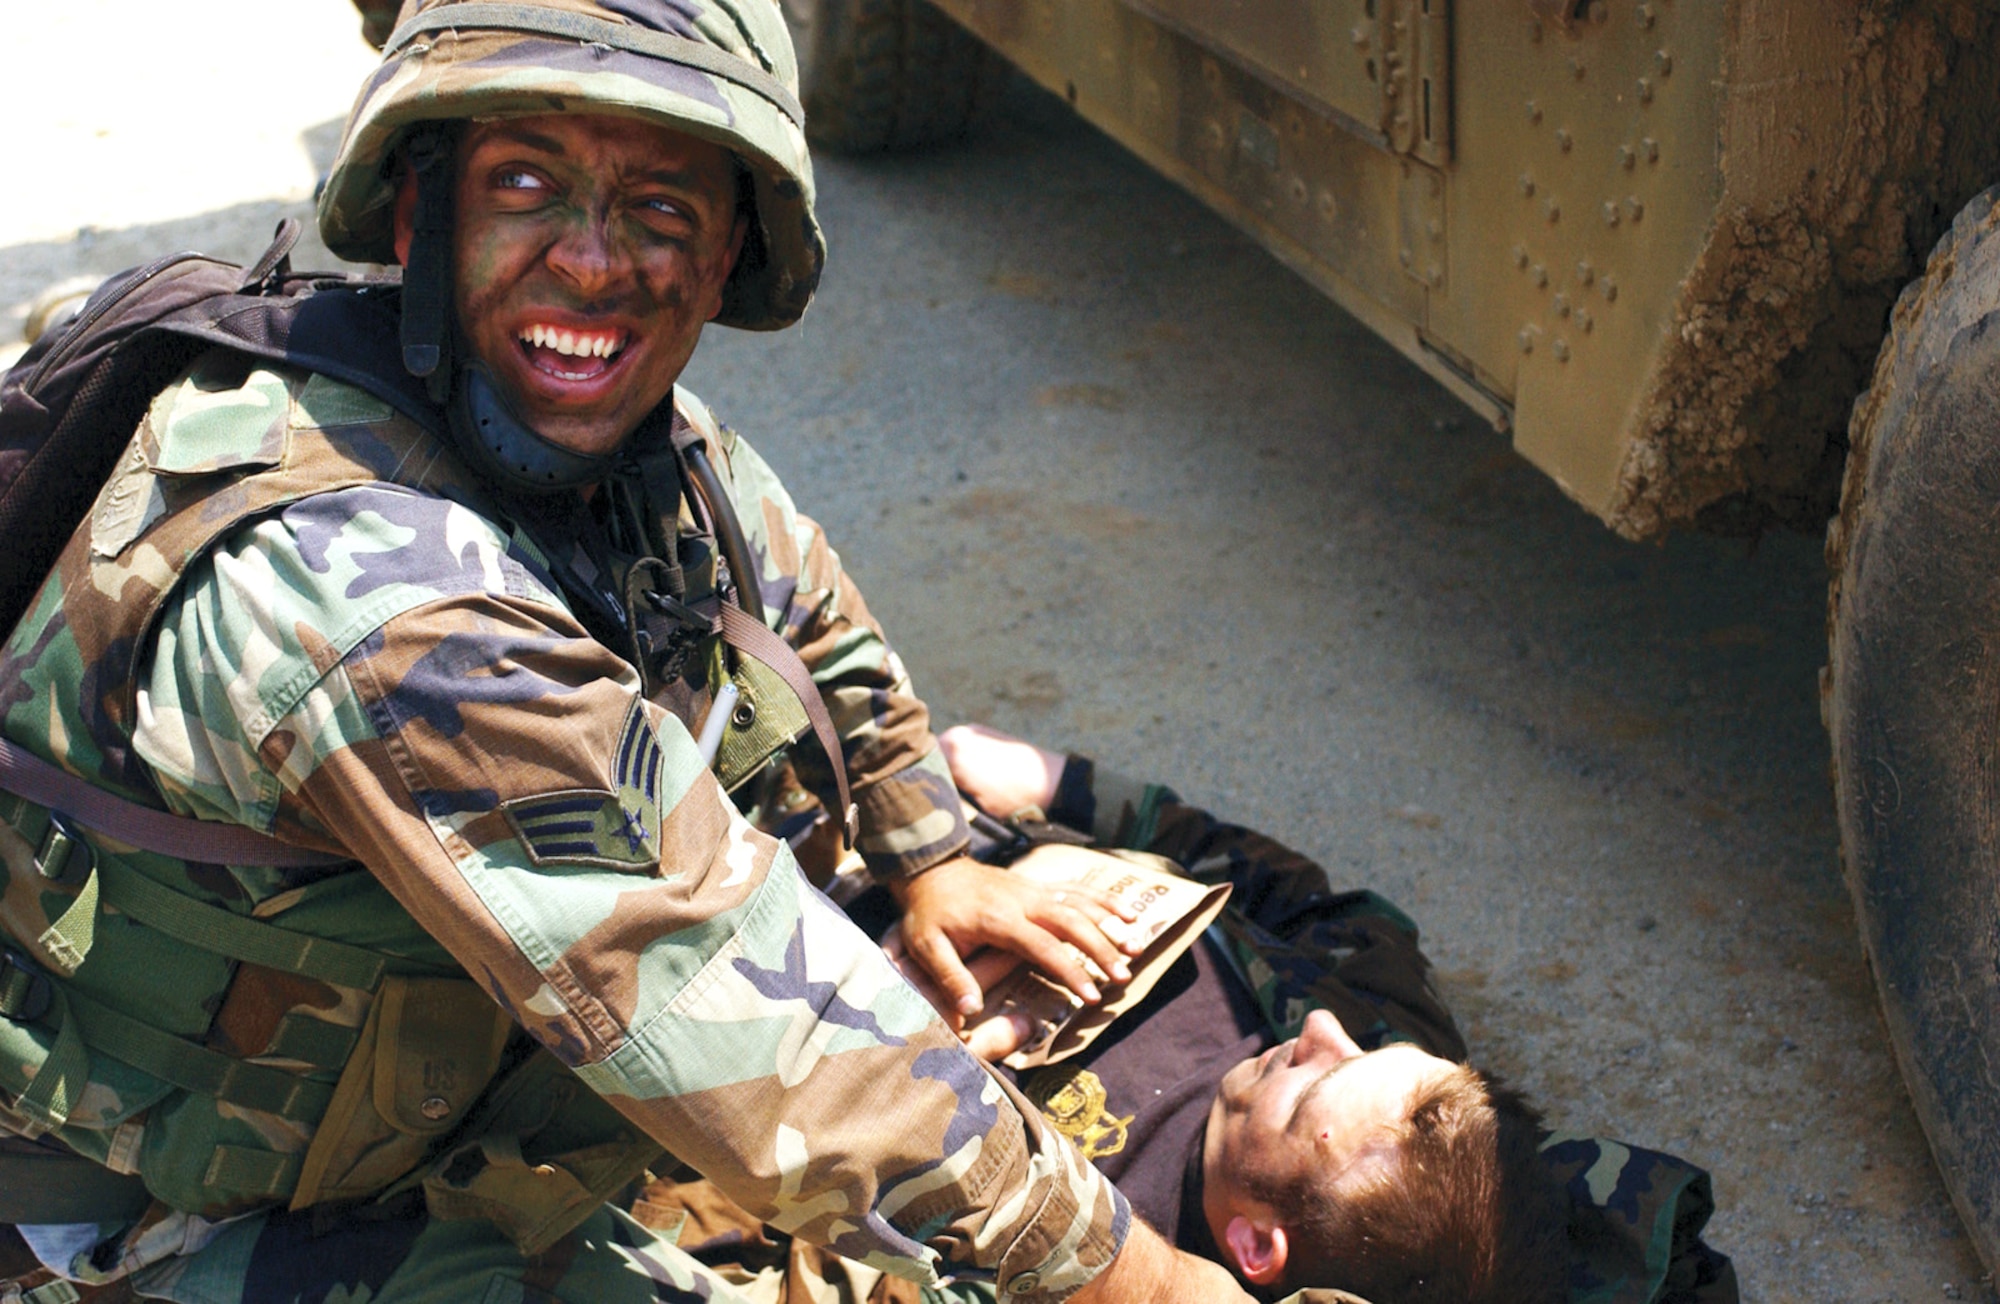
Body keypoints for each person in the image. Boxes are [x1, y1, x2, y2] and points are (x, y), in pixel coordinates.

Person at [0, 4, 1258, 1303]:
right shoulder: (378, 603)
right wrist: (1148, 1283)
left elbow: (792, 593)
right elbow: (727, 998)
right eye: (527, 184)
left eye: (662, 207)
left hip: (358, 1137)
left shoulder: (631, 445)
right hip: (135, 1222)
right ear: (417, 222)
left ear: (728, 261)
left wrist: (926, 848)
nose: (595, 265)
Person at [639, 727, 1738, 1304]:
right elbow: (1295, 891)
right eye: (1364, 1048)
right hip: (897, 810)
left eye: (1310, 1084)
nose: (1317, 1036)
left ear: (1256, 1242)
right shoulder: (1357, 1015)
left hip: (703, 907)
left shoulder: (1069, 1251)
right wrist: (1063, 782)